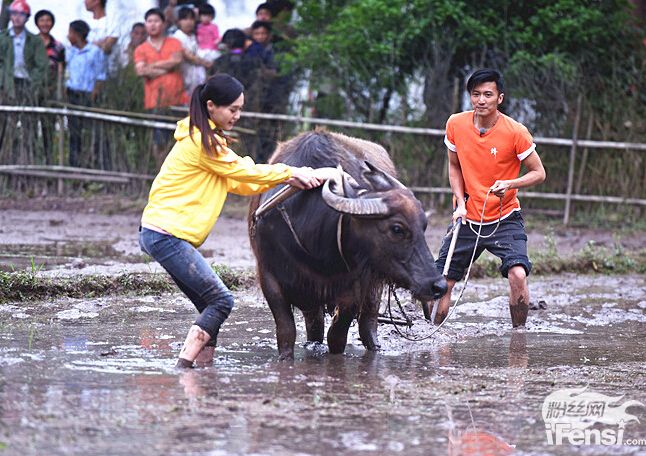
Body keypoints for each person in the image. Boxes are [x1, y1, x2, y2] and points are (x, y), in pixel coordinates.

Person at [139, 73, 334, 368]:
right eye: (232, 109)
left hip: (161, 232)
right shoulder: (202, 144)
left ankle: (202, 369)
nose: (237, 115)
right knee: (221, 301)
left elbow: (242, 183)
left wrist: (284, 182)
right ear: (211, 106)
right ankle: (182, 368)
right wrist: (291, 172)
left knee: (209, 305)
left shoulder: (207, 140)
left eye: (240, 109)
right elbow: (245, 171)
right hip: (166, 234)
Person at [428, 68, 546, 329]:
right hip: (467, 217)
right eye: (476, 94)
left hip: (505, 217)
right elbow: (454, 166)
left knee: (517, 273)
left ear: (499, 98)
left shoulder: (516, 132)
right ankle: (433, 336)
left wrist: (511, 183)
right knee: (440, 283)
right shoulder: (456, 124)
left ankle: (519, 337)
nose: (481, 100)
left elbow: (539, 173)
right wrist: (459, 202)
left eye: (487, 94)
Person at [134, 8, 186, 167]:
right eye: (149, 21)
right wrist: (166, 67)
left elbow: (176, 61)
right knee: (159, 140)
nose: (153, 25)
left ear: (163, 24)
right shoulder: (141, 49)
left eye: (156, 21)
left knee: (180, 140)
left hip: (177, 97)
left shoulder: (174, 42)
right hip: (154, 100)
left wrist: (152, 67)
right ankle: (161, 172)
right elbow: (140, 70)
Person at [65, 20, 106, 168]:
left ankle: (90, 162)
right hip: (72, 94)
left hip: (88, 95)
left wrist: (94, 94)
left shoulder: (95, 52)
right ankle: (74, 164)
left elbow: (101, 75)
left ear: (78, 34)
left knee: (88, 130)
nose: (68, 36)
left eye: (70, 33)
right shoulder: (69, 52)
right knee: (73, 131)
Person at [0, 0, 48, 102]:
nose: (17, 17)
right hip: (6, 83)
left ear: (27, 18)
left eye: (21, 14)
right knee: (6, 114)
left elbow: (41, 65)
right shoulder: (2, 38)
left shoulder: (35, 40)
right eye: (14, 13)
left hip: (27, 83)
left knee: (26, 114)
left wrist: (33, 83)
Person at [173, 7, 210, 98]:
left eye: (191, 19)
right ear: (178, 21)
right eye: (185, 19)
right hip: (184, 77)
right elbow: (189, 57)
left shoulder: (194, 36)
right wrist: (207, 63)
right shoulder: (177, 37)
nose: (189, 22)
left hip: (198, 79)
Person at [84, 0, 120, 76]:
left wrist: (88, 43)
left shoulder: (112, 22)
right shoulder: (84, 22)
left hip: (105, 73)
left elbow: (107, 47)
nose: (85, 1)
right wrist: (99, 43)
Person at [34, 9, 64, 93]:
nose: (45, 24)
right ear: (37, 23)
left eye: (48, 20)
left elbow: (60, 68)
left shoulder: (58, 46)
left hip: (50, 88)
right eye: (42, 21)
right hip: (31, 85)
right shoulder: (30, 43)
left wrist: (58, 88)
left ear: (52, 23)